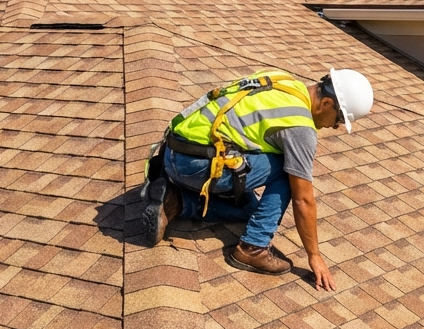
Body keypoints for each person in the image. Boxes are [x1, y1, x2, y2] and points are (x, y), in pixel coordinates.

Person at [141, 68, 373, 289]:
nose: (334, 127)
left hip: (173, 152)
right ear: (327, 104)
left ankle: (176, 202)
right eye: (338, 120)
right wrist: (315, 256)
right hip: (195, 165)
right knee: (291, 170)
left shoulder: (281, 79)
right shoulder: (300, 127)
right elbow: (303, 200)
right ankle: (253, 247)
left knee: (252, 211)